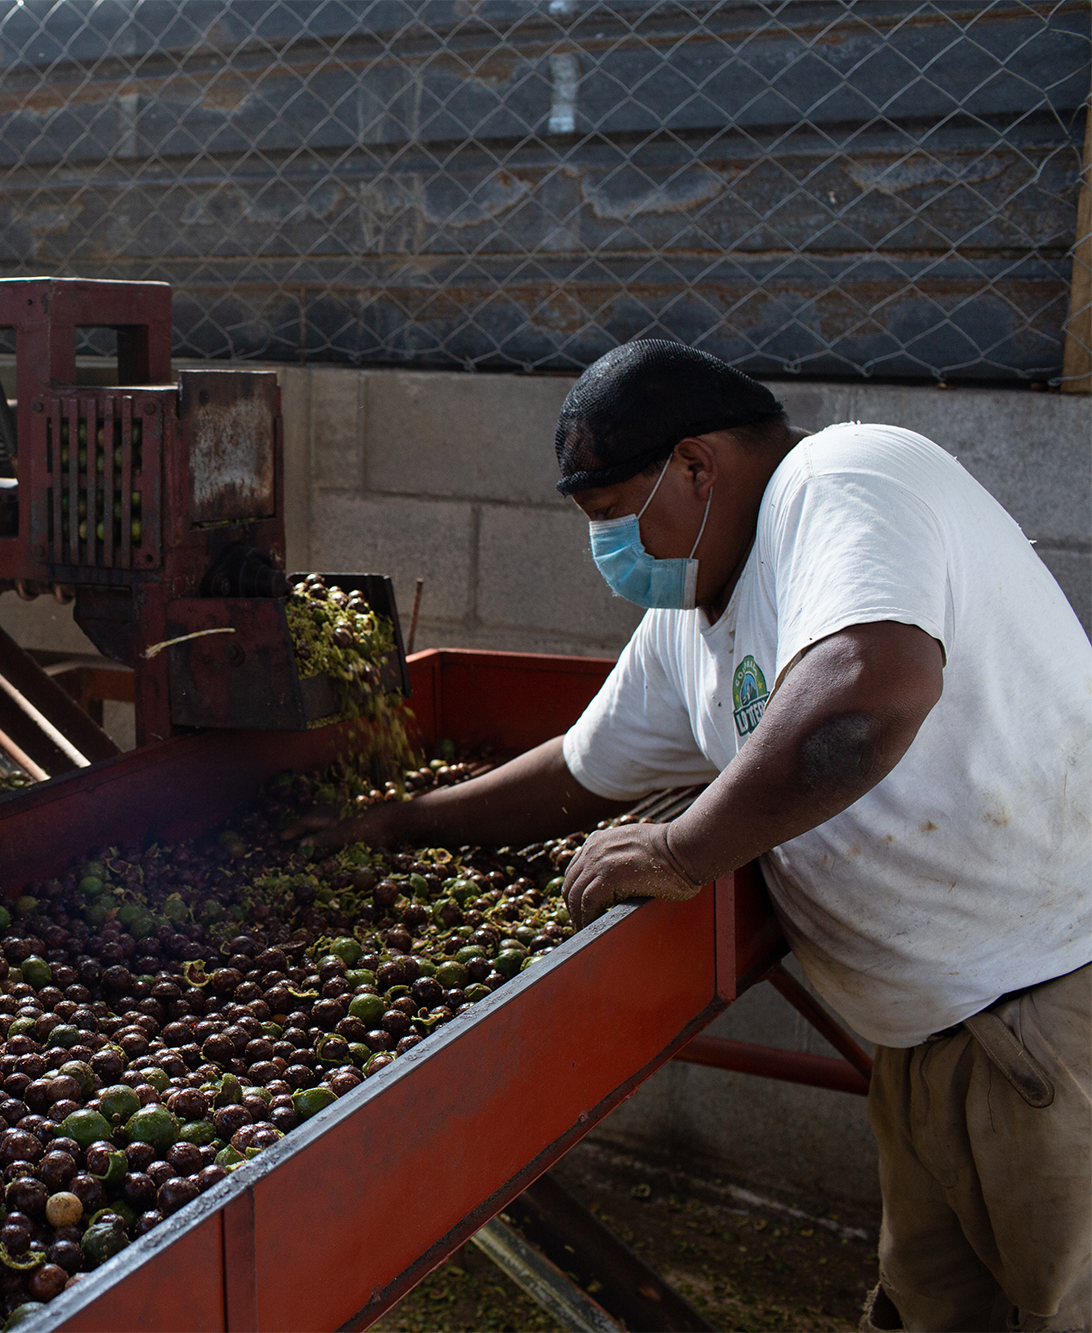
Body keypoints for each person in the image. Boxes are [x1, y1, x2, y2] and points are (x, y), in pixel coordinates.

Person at [310, 341, 1091, 1331]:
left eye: (608, 518)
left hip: (1048, 1014)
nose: (607, 551)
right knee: (936, 1307)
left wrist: (681, 852)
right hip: (923, 1036)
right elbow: (577, 772)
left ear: (693, 466)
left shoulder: (842, 479)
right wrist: (402, 823)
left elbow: (867, 688)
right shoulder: (692, 618)